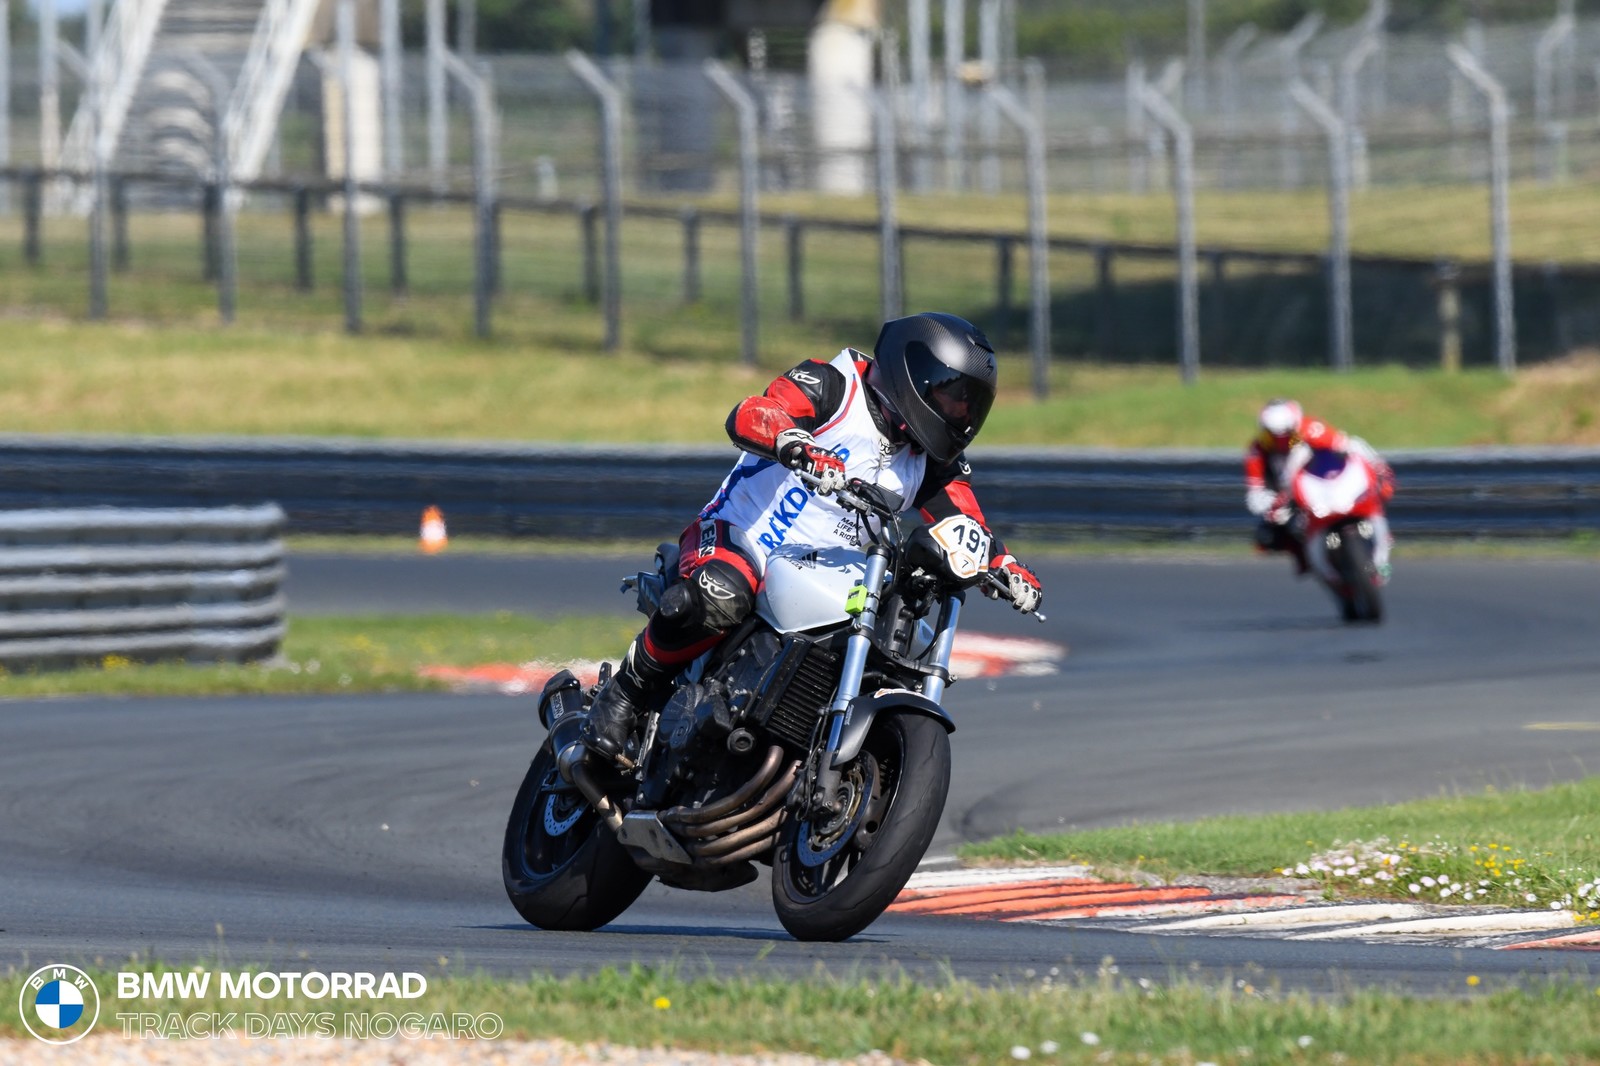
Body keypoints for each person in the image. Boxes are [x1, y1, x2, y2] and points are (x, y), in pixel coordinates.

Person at [582, 312, 1044, 763]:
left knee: (895, 636)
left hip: (826, 575)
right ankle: (624, 695)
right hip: (741, 537)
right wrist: (796, 444)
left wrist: (1001, 565)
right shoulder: (834, 385)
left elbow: (965, 521)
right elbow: (756, 411)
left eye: (970, 406)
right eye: (953, 398)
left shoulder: (928, 460)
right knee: (724, 591)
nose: (960, 414)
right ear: (914, 374)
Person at [1244, 398, 1394, 580]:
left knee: (1381, 489)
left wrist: (1378, 466)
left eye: (1287, 437)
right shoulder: (1257, 452)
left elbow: (1350, 445)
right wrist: (1272, 505)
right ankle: (1306, 560)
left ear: (1296, 427)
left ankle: (1382, 539)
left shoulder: (1312, 429)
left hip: (1326, 485)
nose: (1281, 443)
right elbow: (1254, 495)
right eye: (1272, 437)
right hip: (1291, 499)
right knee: (1268, 535)